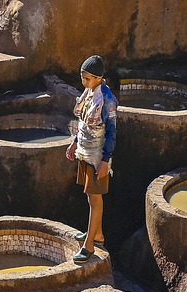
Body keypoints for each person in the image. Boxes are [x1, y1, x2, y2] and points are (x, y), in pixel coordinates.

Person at [65, 54, 117, 263]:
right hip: (86, 150)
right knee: (91, 195)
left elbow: (112, 133)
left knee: (95, 198)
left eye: (87, 79)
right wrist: (75, 142)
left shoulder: (107, 100)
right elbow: (84, 123)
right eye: (82, 78)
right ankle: (98, 235)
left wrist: (105, 160)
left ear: (98, 78)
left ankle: (89, 247)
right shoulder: (89, 93)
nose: (83, 82)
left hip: (98, 155)